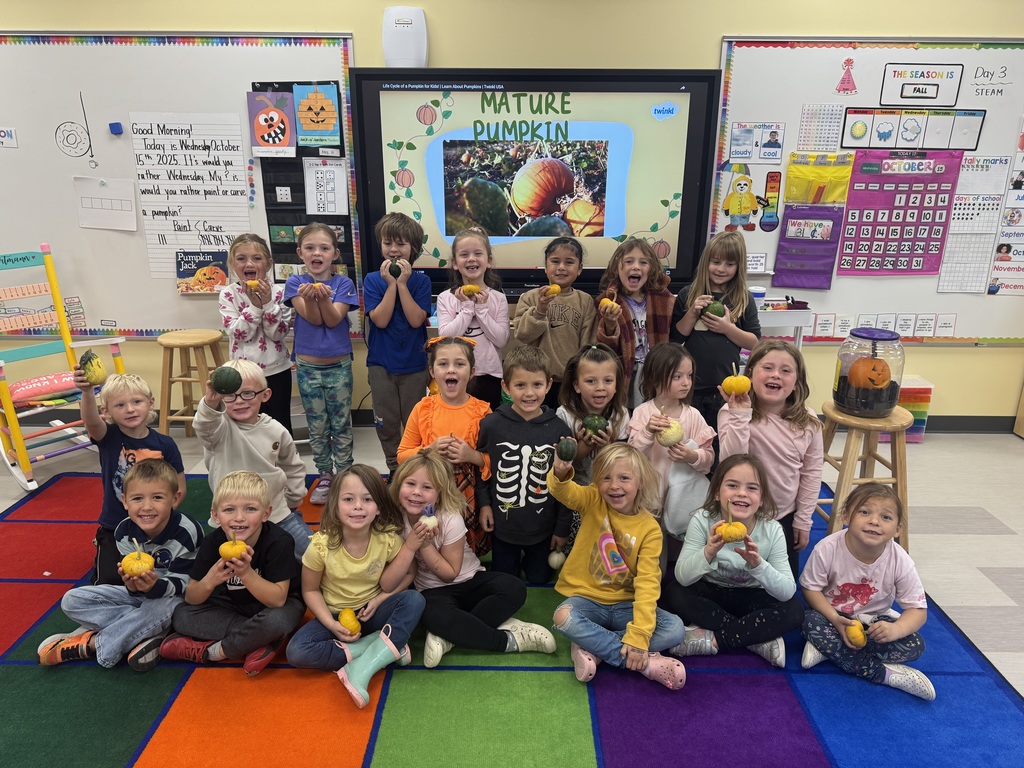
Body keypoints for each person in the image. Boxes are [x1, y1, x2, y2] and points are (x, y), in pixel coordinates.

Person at [394, 449, 556, 668]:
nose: (416, 493)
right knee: (430, 613)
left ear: (440, 493)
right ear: (398, 484)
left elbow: (451, 574)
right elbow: (408, 571)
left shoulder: (450, 517)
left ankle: (448, 636)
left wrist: (423, 543)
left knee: (513, 588)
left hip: (470, 581)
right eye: (410, 484)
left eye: (427, 487)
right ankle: (507, 640)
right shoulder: (396, 521)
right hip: (434, 593)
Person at [38, 459, 203, 671]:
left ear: (175, 498)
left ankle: (92, 645)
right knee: (72, 600)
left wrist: (154, 587)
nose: (147, 507)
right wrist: (132, 585)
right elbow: (133, 591)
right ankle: (149, 633)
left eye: (158, 498)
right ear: (125, 501)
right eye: (137, 498)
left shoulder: (187, 532)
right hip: (142, 599)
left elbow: (186, 583)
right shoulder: (123, 532)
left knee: (160, 608)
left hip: (174, 599)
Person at [285, 465, 426, 709]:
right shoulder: (321, 545)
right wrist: (331, 624)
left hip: (372, 611)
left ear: (379, 506)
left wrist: (380, 600)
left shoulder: (388, 539)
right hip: (336, 617)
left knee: (415, 600)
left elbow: (410, 574)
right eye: (349, 499)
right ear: (336, 506)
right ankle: (382, 646)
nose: (358, 506)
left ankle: (364, 663)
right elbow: (310, 590)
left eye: (367, 499)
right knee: (297, 652)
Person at [549, 443, 686, 689]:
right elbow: (565, 492)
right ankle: (643, 665)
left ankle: (595, 647)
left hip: (626, 605)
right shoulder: (593, 500)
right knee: (563, 616)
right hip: (588, 601)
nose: (614, 486)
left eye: (624, 478)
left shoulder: (650, 529)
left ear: (640, 483)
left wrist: (639, 636)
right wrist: (560, 471)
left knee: (675, 629)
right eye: (606, 478)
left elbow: (647, 583)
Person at [661, 454, 803, 668]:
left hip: (752, 598)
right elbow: (682, 577)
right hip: (712, 592)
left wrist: (759, 566)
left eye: (752, 488)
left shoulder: (772, 529)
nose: (742, 493)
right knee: (673, 593)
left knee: (794, 610)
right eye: (732, 485)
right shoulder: (702, 519)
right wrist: (707, 552)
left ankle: (716, 639)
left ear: (762, 498)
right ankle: (754, 639)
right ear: (717, 492)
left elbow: (786, 591)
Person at [160, 471, 305, 675]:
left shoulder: (278, 542)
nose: (239, 518)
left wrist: (246, 573)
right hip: (235, 607)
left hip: (278, 606)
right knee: (181, 615)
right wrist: (210, 581)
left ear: (266, 513)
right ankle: (260, 640)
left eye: (250, 509)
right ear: (215, 515)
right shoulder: (213, 543)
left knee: (277, 621)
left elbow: (278, 600)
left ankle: (214, 652)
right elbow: (192, 597)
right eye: (229, 510)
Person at [800, 484, 934, 700]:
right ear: (846, 516)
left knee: (915, 645)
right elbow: (810, 589)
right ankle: (881, 673)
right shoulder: (827, 549)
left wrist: (896, 629)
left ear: (898, 529)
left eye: (886, 517)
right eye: (864, 512)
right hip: (830, 618)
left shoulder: (901, 561)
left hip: (873, 623)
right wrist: (834, 619)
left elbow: (918, 611)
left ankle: (828, 650)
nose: (874, 521)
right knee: (808, 621)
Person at [718, 340, 823, 579]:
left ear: (796, 382)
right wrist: (740, 414)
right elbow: (730, 462)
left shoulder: (809, 421)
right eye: (767, 367)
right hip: (739, 515)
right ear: (751, 373)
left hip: (783, 515)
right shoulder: (731, 412)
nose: (776, 374)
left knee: (782, 586)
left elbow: (812, 472)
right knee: (735, 579)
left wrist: (803, 519)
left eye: (785, 371)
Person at [72, 370, 186, 586]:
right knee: (111, 581)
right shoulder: (109, 438)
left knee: (160, 578)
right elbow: (91, 421)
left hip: (158, 527)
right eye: (120, 405)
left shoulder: (165, 444)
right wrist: (87, 392)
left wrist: (160, 519)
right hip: (115, 525)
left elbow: (179, 488)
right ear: (106, 411)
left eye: (136, 401)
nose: (130, 409)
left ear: (150, 403)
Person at [193, 359, 312, 560]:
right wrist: (211, 402)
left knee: (314, 556)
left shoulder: (276, 430)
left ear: (265, 395)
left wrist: (291, 500)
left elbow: (292, 466)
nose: (239, 401)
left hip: (276, 514)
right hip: (232, 521)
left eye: (247, 393)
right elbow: (204, 426)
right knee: (220, 566)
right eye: (230, 395)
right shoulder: (219, 429)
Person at [476, 346, 573, 583]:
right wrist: (485, 505)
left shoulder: (559, 430)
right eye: (520, 385)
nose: (529, 393)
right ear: (506, 387)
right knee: (503, 582)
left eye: (537, 385)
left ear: (549, 385)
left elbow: (566, 483)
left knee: (540, 579)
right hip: (503, 529)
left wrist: (561, 528)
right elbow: (483, 469)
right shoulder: (491, 425)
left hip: (543, 530)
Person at [283, 222, 359, 505]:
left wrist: (322, 297)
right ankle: (325, 474)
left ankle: (346, 473)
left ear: (335, 254)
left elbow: (332, 319)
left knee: (340, 422)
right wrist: (311, 296)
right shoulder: (294, 283)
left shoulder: (343, 284)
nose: (317, 253)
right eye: (310, 248)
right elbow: (312, 319)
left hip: (338, 366)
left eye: (324, 248)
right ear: (300, 252)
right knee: (317, 424)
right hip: (307, 367)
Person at [398, 337, 492, 555]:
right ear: (432, 371)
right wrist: (428, 450)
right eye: (443, 364)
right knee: (433, 540)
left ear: (472, 371)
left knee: (465, 548)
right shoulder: (423, 408)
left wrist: (472, 455)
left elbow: (494, 461)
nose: (451, 370)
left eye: (459, 364)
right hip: (430, 488)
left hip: (468, 493)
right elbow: (402, 455)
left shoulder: (483, 412)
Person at [670, 231, 761, 448]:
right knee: (692, 441)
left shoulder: (743, 298)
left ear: (739, 267)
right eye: (716, 262)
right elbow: (675, 338)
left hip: (726, 389)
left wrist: (727, 329)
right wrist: (692, 312)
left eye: (729, 264)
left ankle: (717, 478)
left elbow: (755, 343)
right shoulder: (688, 294)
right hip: (691, 387)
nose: (721, 269)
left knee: (721, 441)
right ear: (706, 262)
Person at [627, 343, 715, 565]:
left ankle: (676, 586)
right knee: (651, 551)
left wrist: (692, 456)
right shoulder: (642, 413)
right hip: (649, 498)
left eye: (689, 376)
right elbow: (633, 457)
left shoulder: (693, 416)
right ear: (655, 379)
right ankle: (651, 589)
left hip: (684, 500)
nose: (686, 382)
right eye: (677, 377)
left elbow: (708, 461)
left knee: (681, 550)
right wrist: (648, 431)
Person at [364, 212, 432, 479]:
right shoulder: (372, 280)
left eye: (401, 243)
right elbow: (379, 320)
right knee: (387, 422)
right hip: (381, 365)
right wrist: (391, 285)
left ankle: (416, 468)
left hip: (414, 365)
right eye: (387, 242)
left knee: (415, 422)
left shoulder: (421, 281)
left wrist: (402, 284)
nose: (393, 249)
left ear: (413, 249)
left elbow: (416, 320)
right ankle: (395, 468)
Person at [555, 344, 629, 554]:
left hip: (610, 496)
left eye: (608, 381)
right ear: (577, 385)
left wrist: (608, 448)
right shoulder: (564, 415)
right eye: (590, 381)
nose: (600, 387)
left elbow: (623, 466)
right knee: (581, 546)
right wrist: (584, 445)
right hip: (576, 496)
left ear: (616, 386)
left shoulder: (621, 416)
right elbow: (566, 464)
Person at [218, 233, 294, 432]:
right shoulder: (228, 294)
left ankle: (281, 462)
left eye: (256, 258)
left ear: (268, 264)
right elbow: (239, 334)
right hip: (243, 373)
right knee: (246, 426)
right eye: (241, 259)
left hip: (277, 369)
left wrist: (268, 303)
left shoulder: (280, 292)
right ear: (232, 264)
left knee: (279, 424)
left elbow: (278, 334)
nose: (249, 264)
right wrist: (254, 307)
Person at [511, 236, 597, 409]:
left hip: (570, 382)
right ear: (545, 267)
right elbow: (522, 334)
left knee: (567, 427)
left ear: (579, 269)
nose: (561, 268)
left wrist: (582, 377)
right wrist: (540, 309)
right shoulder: (530, 298)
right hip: (534, 380)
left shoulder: (585, 301)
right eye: (555, 261)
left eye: (569, 262)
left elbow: (588, 344)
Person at [594, 238, 675, 408]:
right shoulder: (606, 302)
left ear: (651, 268)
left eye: (643, 262)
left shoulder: (664, 300)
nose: (636, 267)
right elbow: (606, 351)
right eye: (629, 261)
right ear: (617, 267)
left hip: (655, 372)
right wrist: (610, 323)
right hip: (625, 373)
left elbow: (673, 338)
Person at [436, 228, 509, 410]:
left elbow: (501, 340)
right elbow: (445, 338)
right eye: (464, 254)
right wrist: (468, 308)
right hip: (456, 374)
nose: (471, 259)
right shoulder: (446, 298)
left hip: (489, 374)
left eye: (478, 253)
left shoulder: (498, 298)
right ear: (455, 263)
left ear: (489, 261)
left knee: (486, 425)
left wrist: (482, 310)